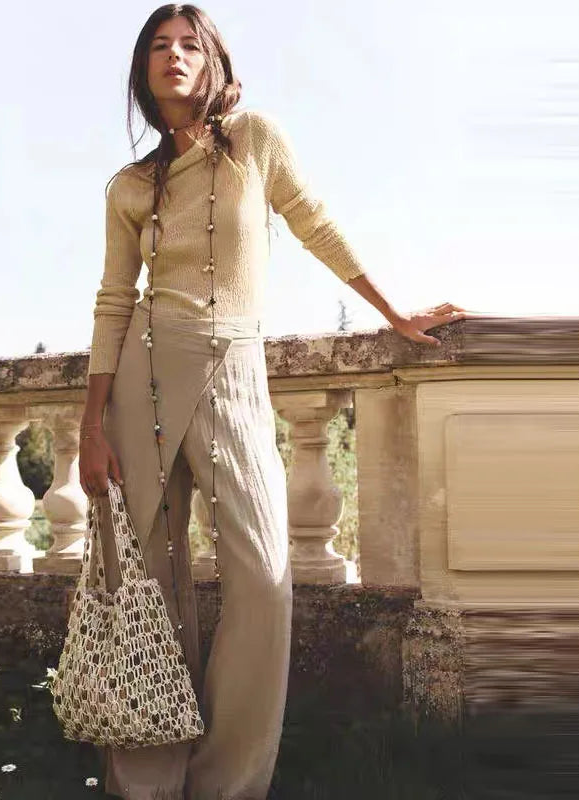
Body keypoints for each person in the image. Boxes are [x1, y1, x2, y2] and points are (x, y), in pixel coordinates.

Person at [78, 5, 467, 799]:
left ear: (215, 61)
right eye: (159, 46)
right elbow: (114, 300)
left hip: (234, 369)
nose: (174, 56)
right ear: (142, 71)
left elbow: (313, 220)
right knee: (143, 576)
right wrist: (91, 424)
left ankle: (227, 784)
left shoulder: (255, 140)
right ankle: (144, 781)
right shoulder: (127, 187)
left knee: (262, 573)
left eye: (190, 44)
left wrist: (393, 313)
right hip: (142, 373)